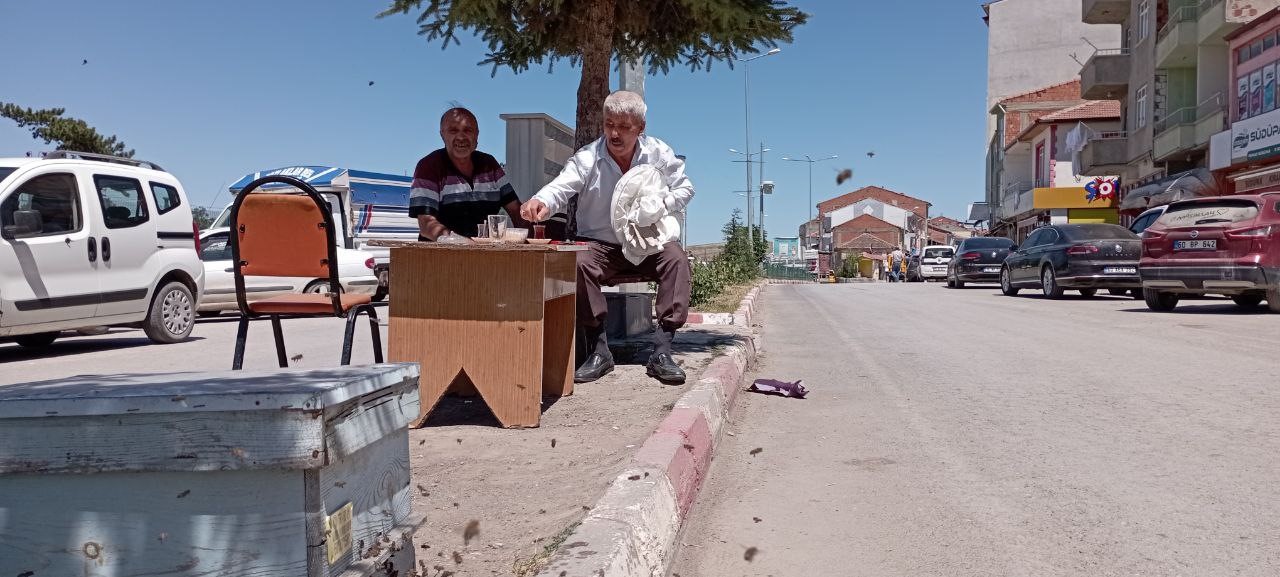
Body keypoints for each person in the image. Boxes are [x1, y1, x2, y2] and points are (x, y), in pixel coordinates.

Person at [520, 91, 694, 384]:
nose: (615, 133)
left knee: (676, 259)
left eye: (624, 126)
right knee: (577, 260)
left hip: (648, 243)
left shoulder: (658, 153)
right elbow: (561, 187)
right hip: (601, 246)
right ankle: (599, 351)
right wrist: (541, 201)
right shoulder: (589, 157)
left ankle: (662, 352)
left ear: (641, 127)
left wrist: (661, 205)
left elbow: (685, 189)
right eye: (609, 124)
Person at [409, 107, 524, 241]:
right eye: (453, 130)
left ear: (477, 135)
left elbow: (516, 211)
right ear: (442, 135)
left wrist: (530, 245)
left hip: (484, 256)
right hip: (438, 258)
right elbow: (426, 225)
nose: (461, 137)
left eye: (468, 130)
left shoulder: (489, 164)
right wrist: (463, 244)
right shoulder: (428, 166)